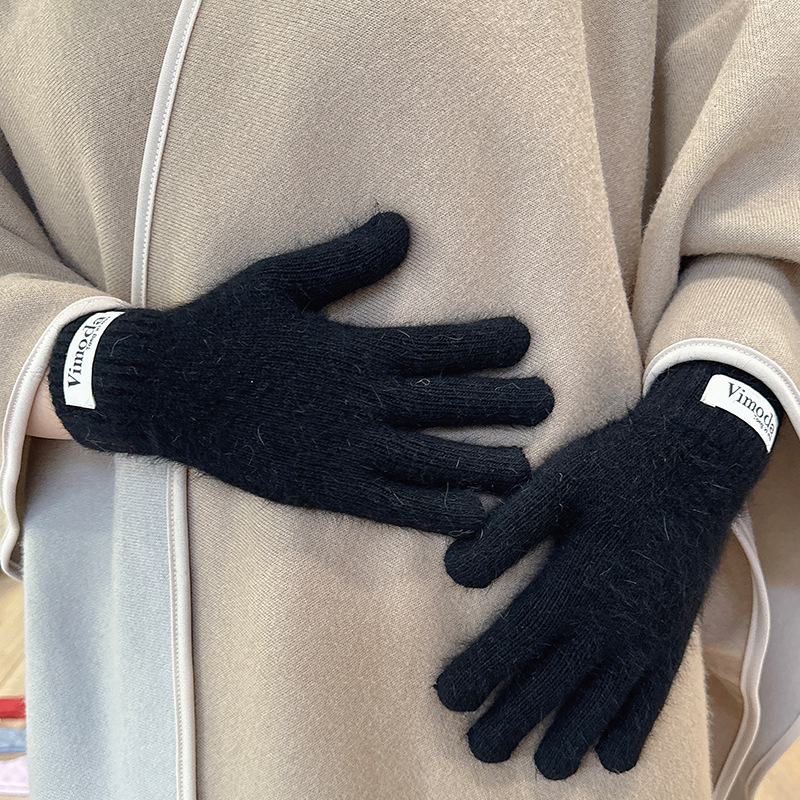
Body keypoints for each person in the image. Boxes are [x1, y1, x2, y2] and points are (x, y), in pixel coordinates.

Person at [1, 1, 799, 799]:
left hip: (548, 603)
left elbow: (771, 152)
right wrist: (130, 373)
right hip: (148, 616)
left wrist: (701, 443)